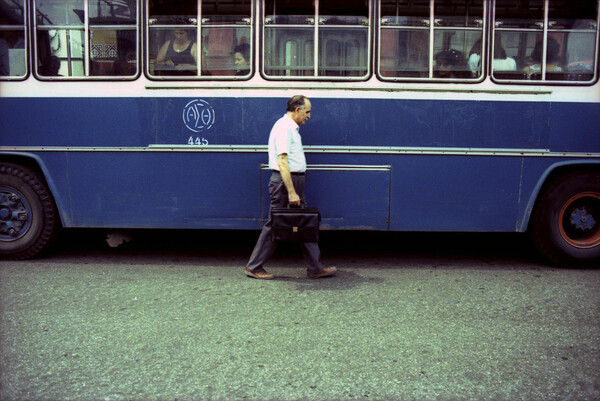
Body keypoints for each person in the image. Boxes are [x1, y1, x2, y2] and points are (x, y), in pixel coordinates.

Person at [244, 95, 337, 280]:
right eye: (307, 111)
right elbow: (283, 162)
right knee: (275, 224)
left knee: (305, 223)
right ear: (297, 110)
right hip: (286, 183)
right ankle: (253, 266)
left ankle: (314, 267)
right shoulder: (285, 128)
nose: (308, 116)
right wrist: (292, 191)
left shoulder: (291, 128)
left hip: (293, 182)